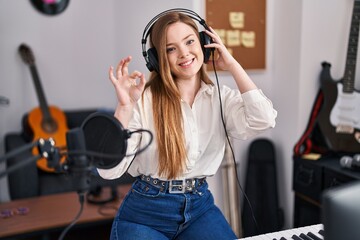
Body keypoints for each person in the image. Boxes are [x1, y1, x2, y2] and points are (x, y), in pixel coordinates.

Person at [98, 9, 277, 240]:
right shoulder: (142, 100)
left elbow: (264, 119)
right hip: (145, 212)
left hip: (199, 207)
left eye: (190, 41)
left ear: (204, 43)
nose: (184, 53)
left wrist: (231, 63)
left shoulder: (221, 98)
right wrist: (124, 107)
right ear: (157, 59)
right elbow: (108, 172)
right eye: (170, 48)